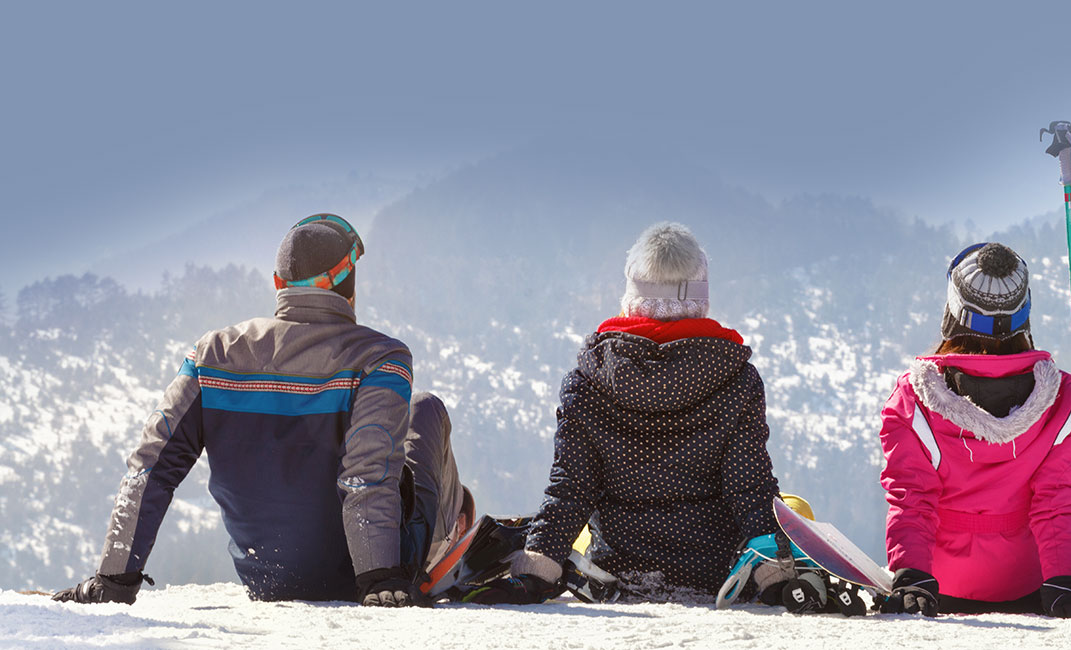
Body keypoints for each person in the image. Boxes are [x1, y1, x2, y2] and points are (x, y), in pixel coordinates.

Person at [52, 214, 470, 607]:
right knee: (426, 410)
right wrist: (380, 580)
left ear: (278, 283)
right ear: (349, 284)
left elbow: (151, 467)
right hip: (364, 578)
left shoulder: (210, 356)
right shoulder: (381, 358)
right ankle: (445, 546)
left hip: (266, 579)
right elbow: (366, 473)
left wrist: (114, 579)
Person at [500, 222, 781, 599]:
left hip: (620, 579)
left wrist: (539, 563)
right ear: (700, 299)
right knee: (797, 509)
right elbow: (750, 489)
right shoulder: (735, 379)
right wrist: (778, 572)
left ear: (632, 297)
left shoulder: (590, 380)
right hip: (717, 581)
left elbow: (571, 488)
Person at [876, 242, 1071, 618]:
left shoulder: (916, 399)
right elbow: (1056, 502)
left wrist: (912, 575)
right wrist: (1063, 581)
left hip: (937, 588)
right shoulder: (1062, 400)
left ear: (952, 313)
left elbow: (911, 499)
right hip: (1033, 588)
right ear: (1024, 314)